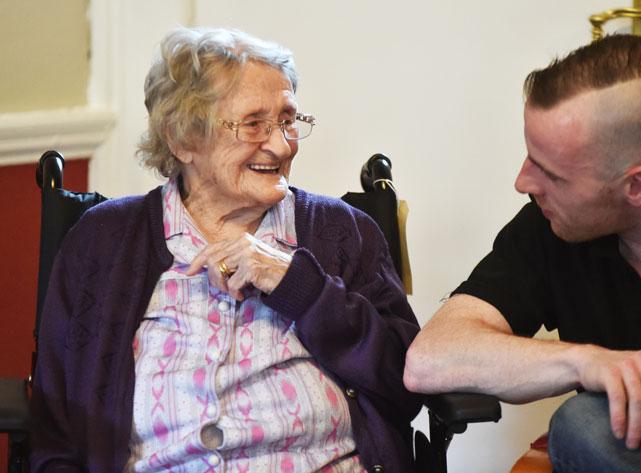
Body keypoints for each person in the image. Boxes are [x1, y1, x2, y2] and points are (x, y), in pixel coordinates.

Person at [30, 27, 421, 473]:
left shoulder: (343, 233)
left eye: (289, 120)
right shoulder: (101, 243)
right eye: (254, 123)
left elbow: (407, 380)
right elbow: (55, 434)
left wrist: (300, 285)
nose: (281, 144)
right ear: (181, 139)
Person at [404, 34, 641, 473]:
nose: (523, 182)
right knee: (584, 425)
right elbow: (429, 359)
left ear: (638, 186)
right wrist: (585, 362)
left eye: (552, 173)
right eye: (530, 157)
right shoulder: (556, 226)